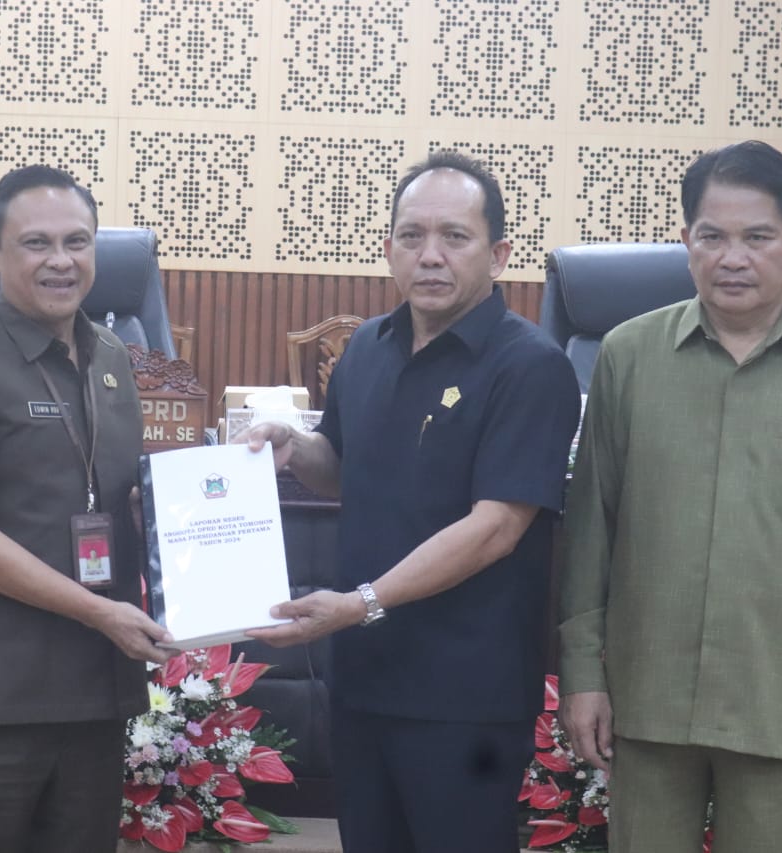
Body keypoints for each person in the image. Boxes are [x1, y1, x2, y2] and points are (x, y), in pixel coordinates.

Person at [245, 151, 581, 853]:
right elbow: (342, 469)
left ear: (498, 253)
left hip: (467, 698)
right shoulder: (368, 346)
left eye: (454, 237)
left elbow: (496, 528)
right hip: (366, 681)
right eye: (411, 235)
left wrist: (360, 601)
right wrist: (293, 448)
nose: (430, 255)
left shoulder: (530, 365)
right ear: (389, 246)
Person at [558, 140, 782, 853]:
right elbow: (589, 530)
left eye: (757, 237)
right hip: (647, 698)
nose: (733, 257)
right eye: (711, 236)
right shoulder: (627, 356)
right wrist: (581, 673)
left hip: (780, 704)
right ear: (686, 241)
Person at [0, 164, 172, 852]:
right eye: (37, 244)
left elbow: (103, 499)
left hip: (94, 693)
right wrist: (100, 611)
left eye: (78, 242)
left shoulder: (114, 358)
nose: (62, 261)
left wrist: (159, 519)